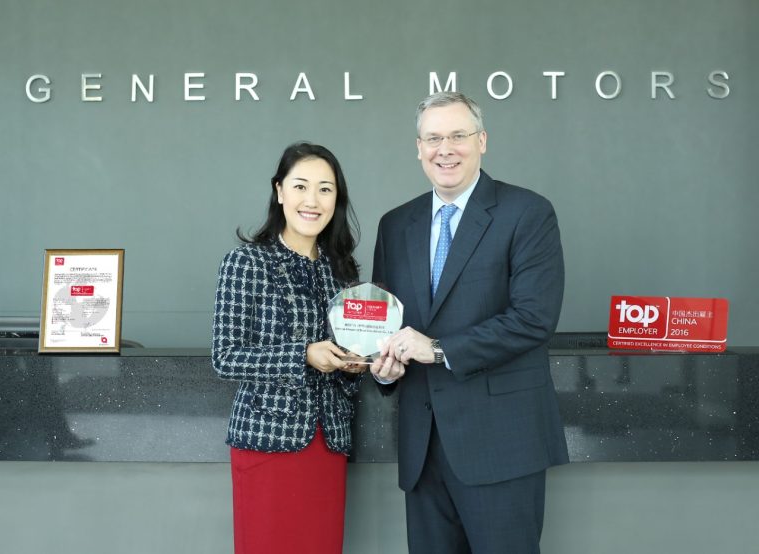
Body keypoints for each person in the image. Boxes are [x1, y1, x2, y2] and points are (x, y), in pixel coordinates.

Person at [371, 91, 569, 554]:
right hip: (423, 450)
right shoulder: (395, 224)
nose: (446, 149)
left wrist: (438, 349)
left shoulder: (527, 213)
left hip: (501, 443)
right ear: (418, 148)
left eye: (458, 135)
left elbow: (533, 319)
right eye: (433, 137)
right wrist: (383, 367)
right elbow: (388, 324)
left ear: (482, 141)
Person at [212, 142, 364, 554]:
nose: (312, 200)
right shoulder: (247, 262)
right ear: (279, 191)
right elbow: (225, 356)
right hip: (267, 443)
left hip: (328, 443)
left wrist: (352, 365)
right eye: (300, 186)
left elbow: (344, 353)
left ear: (338, 198)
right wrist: (303, 354)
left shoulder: (343, 273)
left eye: (325, 189)